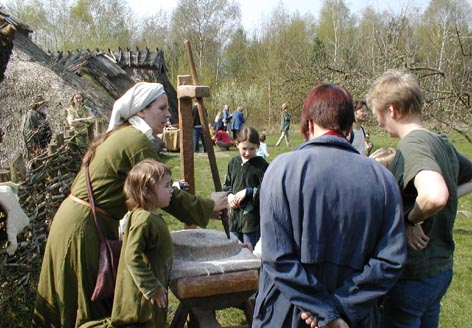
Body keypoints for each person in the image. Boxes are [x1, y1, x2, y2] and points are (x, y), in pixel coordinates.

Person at [32, 82, 228, 328]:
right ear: (141, 111)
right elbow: (162, 193)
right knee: (82, 307)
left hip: (80, 222)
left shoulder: (125, 134)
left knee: (74, 303)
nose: (168, 114)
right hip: (83, 230)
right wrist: (207, 206)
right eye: (162, 108)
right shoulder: (136, 141)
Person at [253, 83, 406, 328]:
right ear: (348, 127)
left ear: (309, 124)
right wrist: (337, 310)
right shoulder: (383, 179)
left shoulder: (280, 170)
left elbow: (276, 256)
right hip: (352, 318)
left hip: (288, 315)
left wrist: (327, 312)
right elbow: (390, 260)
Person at [366, 69, 472, 328]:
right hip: (439, 271)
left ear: (392, 110)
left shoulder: (413, 144)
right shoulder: (441, 141)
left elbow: (434, 196)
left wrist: (411, 220)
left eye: (378, 114)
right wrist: (447, 200)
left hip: (413, 275)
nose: (378, 123)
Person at [223, 127, 269, 249]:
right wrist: (229, 196)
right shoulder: (233, 163)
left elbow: (267, 191)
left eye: (252, 149)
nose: (248, 153)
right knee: (233, 250)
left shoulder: (262, 166)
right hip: (233, 219)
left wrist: (248, 192)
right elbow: (226, 185)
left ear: (258, 146)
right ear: (237, 144)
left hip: (251, 221)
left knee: (250, 253)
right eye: (244, 148)